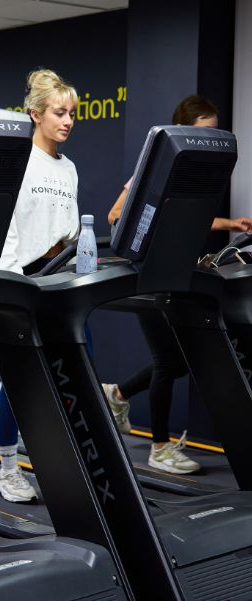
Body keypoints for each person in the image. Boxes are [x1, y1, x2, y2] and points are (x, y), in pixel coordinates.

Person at [103, 94, 252, 474]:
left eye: (215, 131)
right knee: (168, 363)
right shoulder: (158, 167)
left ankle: (118, 393)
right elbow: (116, 214)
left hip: (180, 274)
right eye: (204, 132)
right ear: (185, 130)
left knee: (182, 361)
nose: (211, 139)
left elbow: (193, 218)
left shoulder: (201, 173)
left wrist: (231, 225)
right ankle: (160, 448)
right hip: (150, 273)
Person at [0, 69, 80, 502]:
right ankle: (7, 469)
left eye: (71, 114)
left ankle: (63, 461)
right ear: (35, 115)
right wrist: (12, 283)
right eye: (59, 113)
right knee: (19, 379)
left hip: (61, 277)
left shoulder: (69, 168)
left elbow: (71, 228)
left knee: (69, 373)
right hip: (21, 279)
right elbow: (5, 225)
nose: (66, 121)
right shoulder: (18, 162)